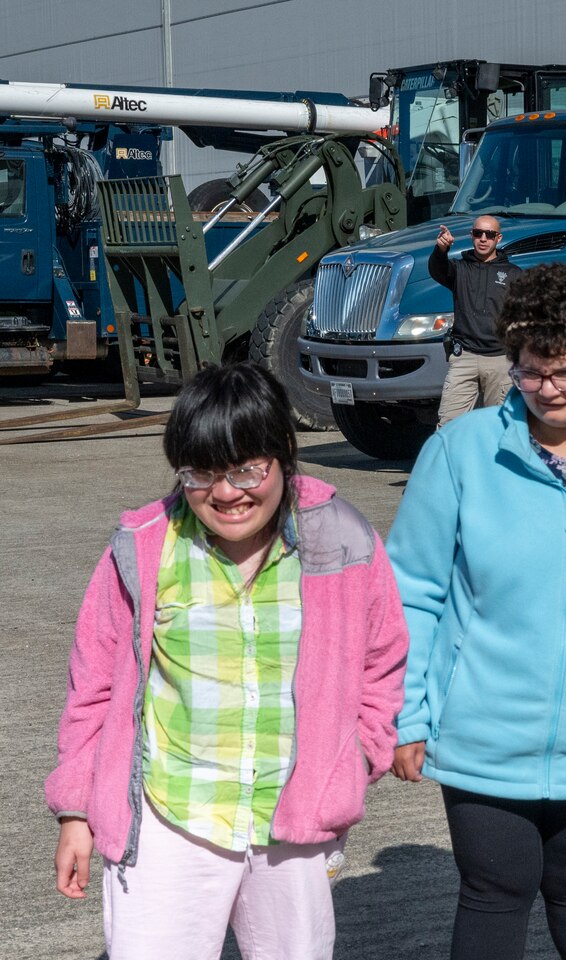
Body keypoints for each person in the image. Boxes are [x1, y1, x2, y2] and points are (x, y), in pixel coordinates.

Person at [46, 363, 408, 960]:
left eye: (246, 469)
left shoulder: (343, 539)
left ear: (284, 457)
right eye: (202, 473)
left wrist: (357, 754)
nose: (226, 492)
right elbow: (92, 689)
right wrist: (76, 812)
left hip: (294, 823)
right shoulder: (142, 546)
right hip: (170, 815)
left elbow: (383, 658)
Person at [388, 262, 566, 960]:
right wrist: (407, 714)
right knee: (494, 889)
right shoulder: (461, 451)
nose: (548, 390)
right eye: (530, 372)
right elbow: (412, 588)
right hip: (483, 735)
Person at [429, 214, 522, 426]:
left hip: (500, 359)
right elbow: (437, 269)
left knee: (500, 427)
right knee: (448, 426)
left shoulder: (514, 274)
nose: (483, 239)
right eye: (478, 233)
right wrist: (440, 249)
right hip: (465, 357)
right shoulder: (460, 269)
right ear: (471, 236)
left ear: (498, 238)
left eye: (489, 235)